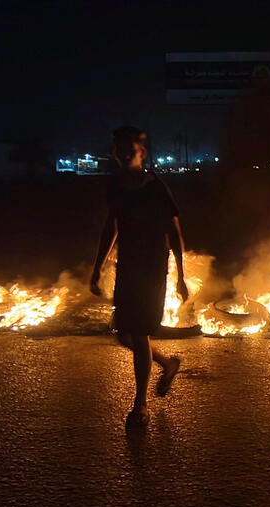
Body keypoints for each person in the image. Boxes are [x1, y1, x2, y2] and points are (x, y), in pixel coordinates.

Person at [90, 126, 188, 428]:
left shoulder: (155, 186)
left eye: (129, 150)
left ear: (141, 153)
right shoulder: (116, 186)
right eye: (119, 151)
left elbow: (175, 231)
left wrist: (182, 277)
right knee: (123, 333)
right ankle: (167, 363)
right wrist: (97, 267)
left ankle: (140, 405)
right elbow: (112, 226)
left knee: (140, 333)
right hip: (127, 264)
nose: (123, 155)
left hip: (152, 265)